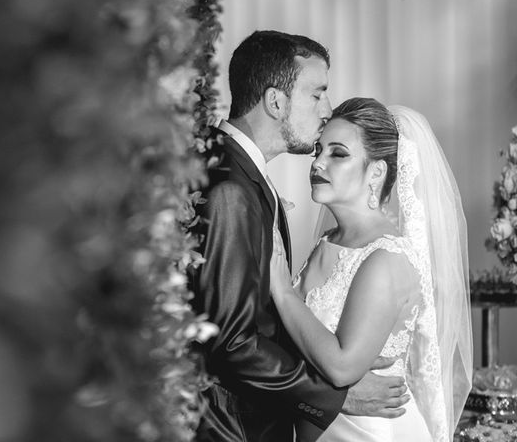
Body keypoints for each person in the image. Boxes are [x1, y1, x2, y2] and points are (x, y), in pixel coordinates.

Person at [189, 32, 411, 442]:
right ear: (276, 102)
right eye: (317, 94)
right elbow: (233, 342)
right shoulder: (230, 189)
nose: (327, 109)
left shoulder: (242, 177)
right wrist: (335, 397)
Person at [270, 98, 474, 441]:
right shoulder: (327, 241)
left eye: (338, 153)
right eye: (318, 150)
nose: (318, 162)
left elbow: (341, 366)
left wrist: (282, 290)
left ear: (377, 171)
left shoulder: (386, 258)